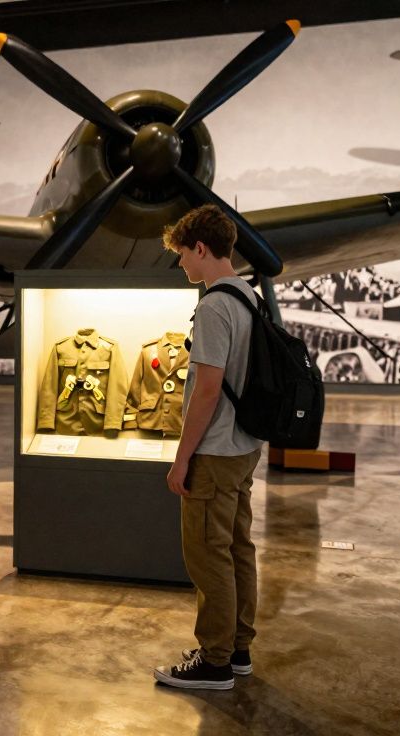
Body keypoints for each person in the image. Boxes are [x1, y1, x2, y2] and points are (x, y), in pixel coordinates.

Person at [153, 205, 263, 691]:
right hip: (241, 447)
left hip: (214, 451)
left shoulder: (215, 306)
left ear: (200, 248)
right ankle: (237, 649)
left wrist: (182, 458)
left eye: (182, 255)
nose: (181, 265)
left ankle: (215, 661)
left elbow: (207, 388)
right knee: (238, 546)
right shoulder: (249, 296)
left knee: (207, 555)